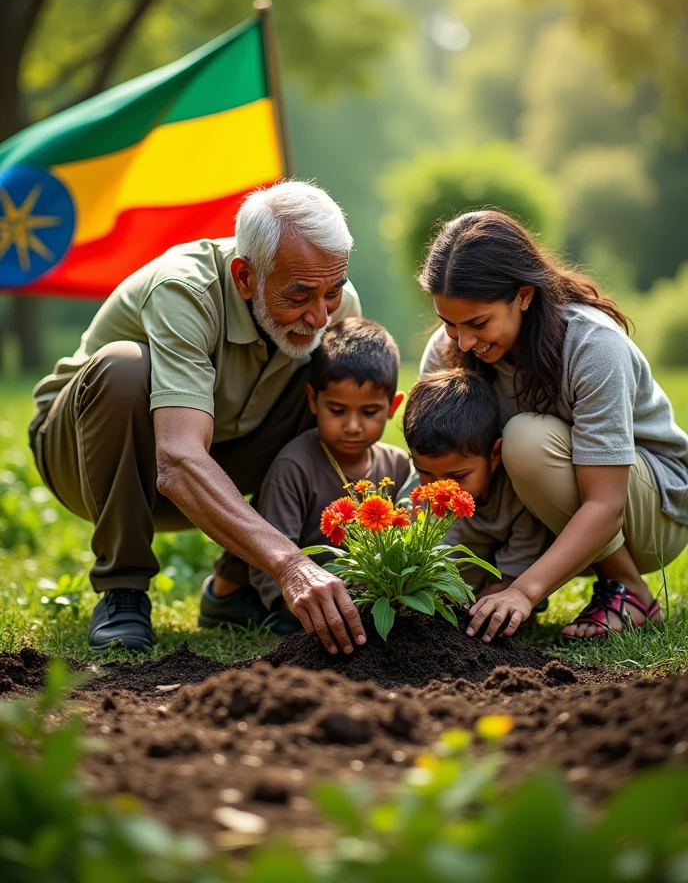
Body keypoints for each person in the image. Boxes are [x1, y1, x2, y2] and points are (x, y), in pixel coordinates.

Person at [28, 182, 368, 657]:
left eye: (333, 290)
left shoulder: (333, 309)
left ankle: (231, 590)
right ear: (245, 277)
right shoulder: (184, 290)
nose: (318, 314)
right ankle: (122, 590)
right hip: (88, 459)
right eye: (300, 295)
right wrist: (290, 565)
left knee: (332, 385)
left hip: (216, 455)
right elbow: (178, 458)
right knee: (125, 367)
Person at [419, 210, 688, 643]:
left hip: (649, 511)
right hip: (527, 512)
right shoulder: (449, 348)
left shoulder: (593, 347)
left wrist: (523, 590)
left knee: (526, 440)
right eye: (449, 322)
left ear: (524, 296)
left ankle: (629, 591)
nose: (462, 341)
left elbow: (607, 505)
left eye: (478, 323)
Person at [244, 317, 410, 617]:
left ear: (392, 407)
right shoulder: (293, 466)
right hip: (304, 606)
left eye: (370, 412)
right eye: (337, 410)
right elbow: (271, 559)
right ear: (313, 400)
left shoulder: (397, 466)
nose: (353, 426)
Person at [402, 368, 549, 601]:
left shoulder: (519, 495)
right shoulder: (416, 502)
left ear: (494, 455)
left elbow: (517, 571)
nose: (441, 490)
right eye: (425, 473)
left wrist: (500, 595)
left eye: (458, 477)